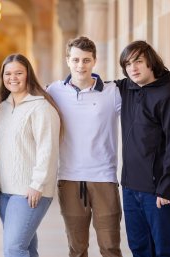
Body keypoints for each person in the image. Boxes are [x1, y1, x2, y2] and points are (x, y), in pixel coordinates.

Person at [47, 36, 122, 257]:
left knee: (110, 247)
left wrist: (169, 84)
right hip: (70, 179)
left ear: (94, 61)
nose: (81, 65)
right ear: (67, 60)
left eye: (86, 60)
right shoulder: (54, 91)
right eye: (76, 60)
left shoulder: (113, 92)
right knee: (77, 249)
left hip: (104, 178)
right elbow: (21, 95)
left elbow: (145, 96)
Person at [116, 41, 170, 257]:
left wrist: (166, 187)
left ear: (151, 62)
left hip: (158, 190)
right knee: (139, 248)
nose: (133, 68)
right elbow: (92, 86)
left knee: (164, 250)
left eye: (138, 61)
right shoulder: (126, 89)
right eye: (128, 64)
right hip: (130, 188)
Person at [0, 53, 61, 257]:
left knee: (14, 249)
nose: (13, 77)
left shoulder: (41, 107)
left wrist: (37, 184)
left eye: (19, 73)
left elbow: (48, 149)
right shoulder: (2, 107)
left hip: (29, 191)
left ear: (28, 75)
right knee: (27, 248)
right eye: (8, 73)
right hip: (5, 191)